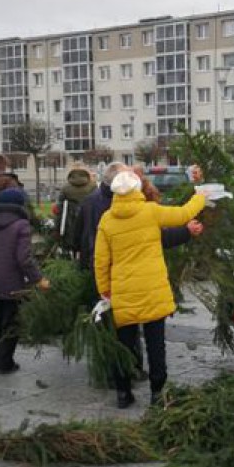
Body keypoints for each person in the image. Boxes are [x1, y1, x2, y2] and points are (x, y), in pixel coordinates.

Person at [94, 170, 206, 408]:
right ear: (137, 190)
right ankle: (157, 393)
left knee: (123, 344)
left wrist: (105, 290)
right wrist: (201, 196)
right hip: (153, 289)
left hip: (123, 293)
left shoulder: (106, 220)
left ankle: (123, 393)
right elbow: (184, 214)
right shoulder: (151, 212)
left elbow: (101, 260)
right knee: (156, 343)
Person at [0, 188, 50, 373]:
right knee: (12, 321)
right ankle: (6, 363)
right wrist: (39, 279)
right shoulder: (21, 225)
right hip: (10, 280)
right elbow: (23, 258)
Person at [53, 164, 96, 256]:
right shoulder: (92, 186)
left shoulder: (66, 188)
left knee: (71, 242)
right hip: (88, 219)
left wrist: (57, 228)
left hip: (70, 220)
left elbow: (60, 208)